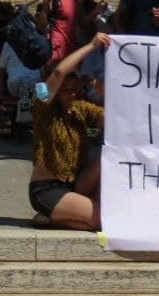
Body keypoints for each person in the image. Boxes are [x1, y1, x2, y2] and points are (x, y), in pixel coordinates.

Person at [24, 32, 109, 230]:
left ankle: (62, 216)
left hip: (75, 184)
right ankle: (55, 216)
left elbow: (111, 117)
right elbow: (58, 73)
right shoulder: (41, 104)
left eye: (74, 89)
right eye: (65, 89)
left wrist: (106, 92)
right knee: (98, 219)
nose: (71, 93)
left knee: (106, 157)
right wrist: (91, 45)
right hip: (47, 189)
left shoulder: (78, 108)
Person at [0, 0, 42, 101]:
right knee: (44, 96)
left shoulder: (9, 43)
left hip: (16, 84)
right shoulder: (39, 42)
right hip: (37, 84)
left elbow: (0, 70)